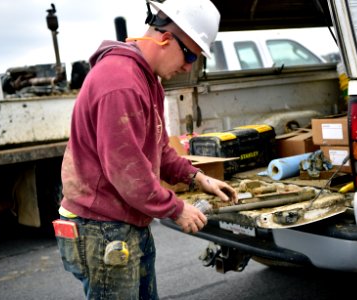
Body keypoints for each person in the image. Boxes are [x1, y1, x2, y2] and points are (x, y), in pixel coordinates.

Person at [54, 0, 238, 299]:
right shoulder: (121, 82)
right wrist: (176, 208)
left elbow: (158, 148)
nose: (189, 65)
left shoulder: (146, 79)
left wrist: (197, 178)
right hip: (103, 228)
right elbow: (128, 172)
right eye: (190, 54)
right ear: (165, 38)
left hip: (124, 222)